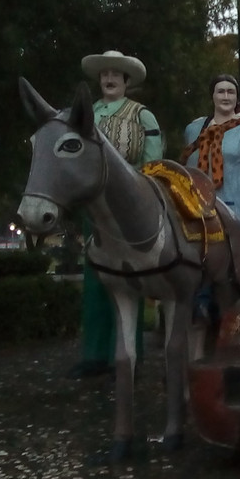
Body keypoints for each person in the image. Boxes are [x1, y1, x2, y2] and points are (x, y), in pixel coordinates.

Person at [68, 50, 163, 379]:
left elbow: (152, 162)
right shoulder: (86, 113)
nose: (109, 79)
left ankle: (126, 354)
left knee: (126, 277)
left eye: (115, 75)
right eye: (104, 74)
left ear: (126, 81)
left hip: (127, 206)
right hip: (96, 205)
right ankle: (94, 354)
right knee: (95, 278)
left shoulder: (142, 115)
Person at [180, 74, 240, 247]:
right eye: (220, 91)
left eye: (231, 92)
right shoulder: (194, 130)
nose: (226, 96)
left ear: (237, 97)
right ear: (212, 95)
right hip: (198, 218)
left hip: (238, 220)